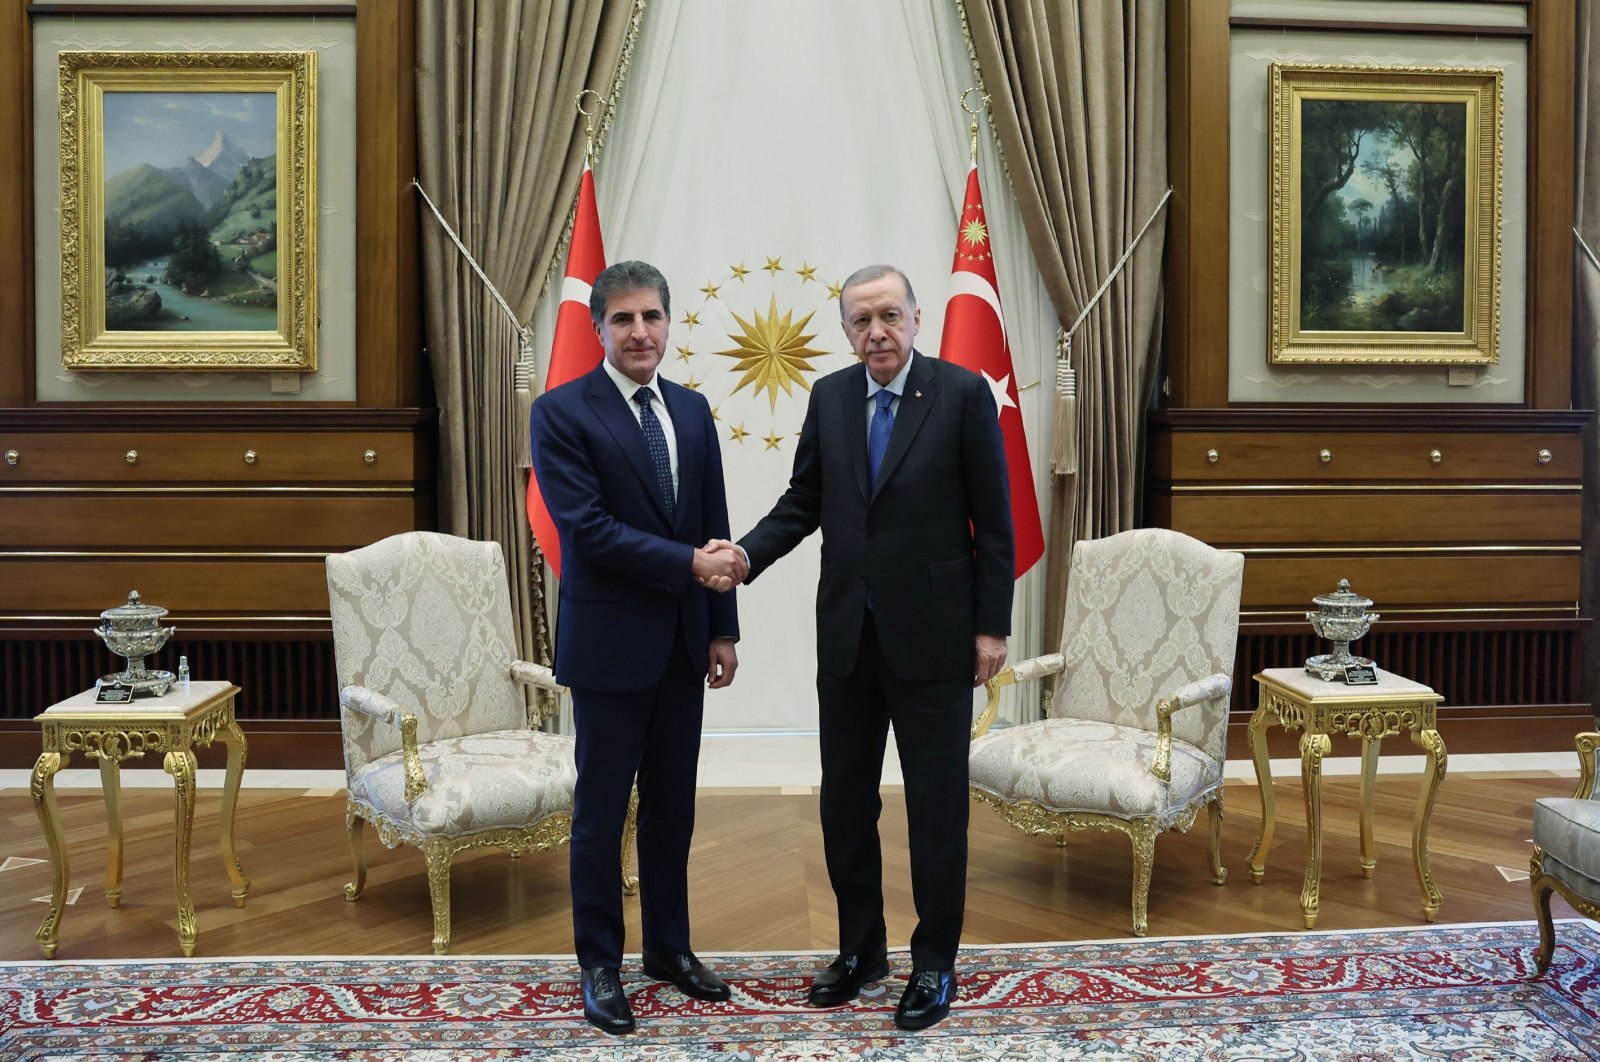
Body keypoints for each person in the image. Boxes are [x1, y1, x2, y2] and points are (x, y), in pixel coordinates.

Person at [724, 263, 1014, 1031]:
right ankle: (860, 951)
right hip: (849, 637)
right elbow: (805, 502)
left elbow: (997, 518)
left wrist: (992, 626)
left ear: (916, 318)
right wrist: (747, 556)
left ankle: (934, 961)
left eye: (889, 315)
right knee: (845, 801)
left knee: (935, 806)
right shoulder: (830, 396)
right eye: (861, 320)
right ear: (846, 331)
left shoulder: (960, 394)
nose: (876, 331)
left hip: (938, 638)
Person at [529, 259, 745, 1035]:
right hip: (611, 648)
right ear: (598, 329)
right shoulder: (560, 412)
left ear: (667, 320)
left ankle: (669, 950)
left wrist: (722, 626)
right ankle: (599, 965)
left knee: (672, 810)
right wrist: (690, 565)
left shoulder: (690, 410)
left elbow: (711, 516)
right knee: (599, 813)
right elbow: (586, 530)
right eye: (623, 320)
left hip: (685, 645)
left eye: (651, 316)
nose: (640, 332)